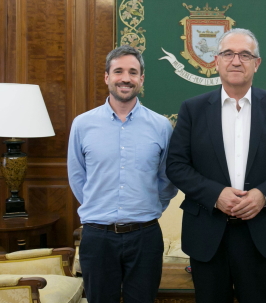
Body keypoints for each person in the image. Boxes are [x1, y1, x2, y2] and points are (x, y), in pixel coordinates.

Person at [166, 28, 266, 303]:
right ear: (216, 61)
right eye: (228, 53)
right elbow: (176, 165)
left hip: (261, 234)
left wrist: (262, 196)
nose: (236, 61)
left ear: (257, 63)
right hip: (208, 233)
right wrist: (215, 195)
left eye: (245, 54)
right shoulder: (192, 109)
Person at [67, 45, 177, 303]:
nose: (125, 78)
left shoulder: (161, 126)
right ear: (107, 77)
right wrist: (99, 205)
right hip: (97, 236)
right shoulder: (83, 124)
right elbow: (77, 176)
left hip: (145, 237)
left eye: (132, 72)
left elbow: (167, 178)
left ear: (141, 79)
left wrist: (148, 205)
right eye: (118, 71)